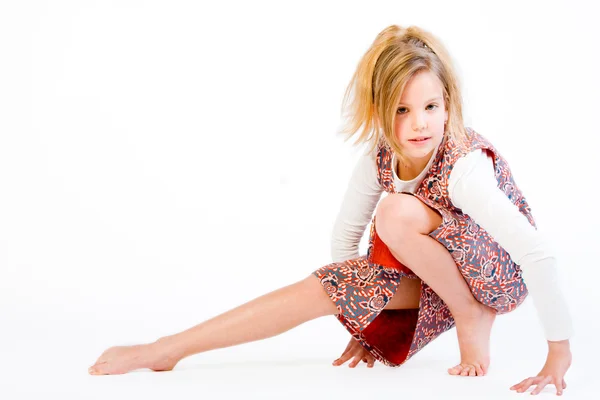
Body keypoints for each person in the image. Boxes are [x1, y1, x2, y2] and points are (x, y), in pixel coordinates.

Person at [88, 24, 573, 396]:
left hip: (494, 276)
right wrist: (361, 311)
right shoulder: (378, 158)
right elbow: (344, 245)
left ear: (448, 104)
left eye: (430, 107)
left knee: (395, 213)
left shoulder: (465, 166)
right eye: (402, 111)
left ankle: (471, 315)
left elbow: (536, 252)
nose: (420, 124)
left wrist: (558, 352)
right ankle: (166, 350)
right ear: (381, 114)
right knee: (326, 283)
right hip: (434, 273)